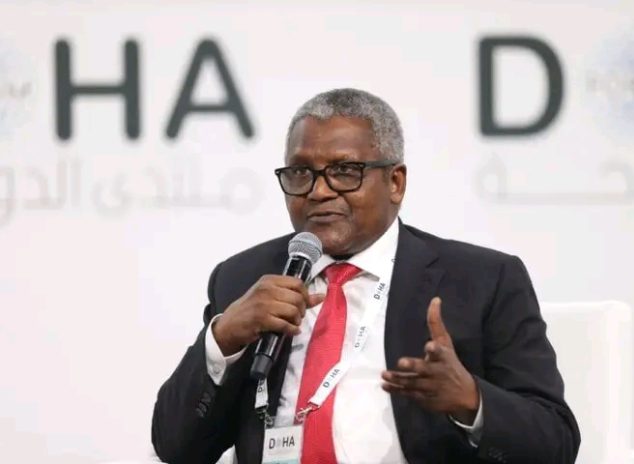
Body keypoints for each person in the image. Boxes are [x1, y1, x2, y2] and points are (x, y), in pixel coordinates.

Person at [151, 88, 580, 464]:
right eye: (300, 173)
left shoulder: (482, 280)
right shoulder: (243, 277)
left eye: (345, 171)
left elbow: (555, 443)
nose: (319, 191)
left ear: (395, 182)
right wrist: (223, 339)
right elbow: (176, 448)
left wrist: (471, 401)